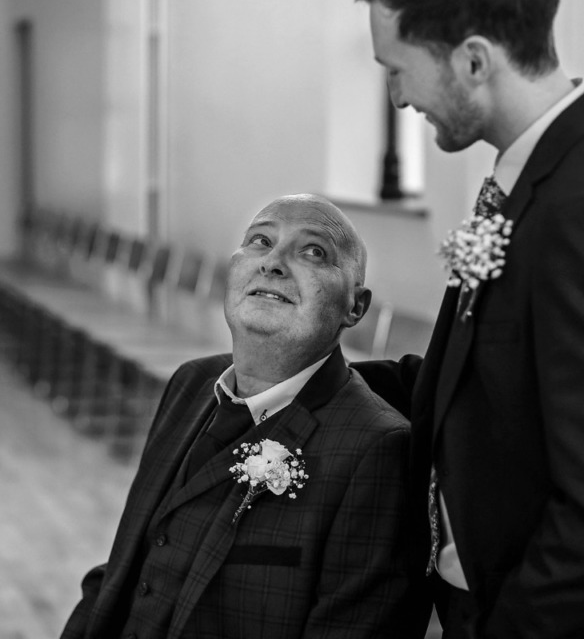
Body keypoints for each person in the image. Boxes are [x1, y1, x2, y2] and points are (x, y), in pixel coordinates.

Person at [353, 0, 584, 639]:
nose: (399, 98)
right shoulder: (529, 177)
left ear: (474, 60)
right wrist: (317, 374)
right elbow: (490, 387)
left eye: (398, 68)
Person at [59, 194, 431, 639]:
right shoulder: (190, 384)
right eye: (259, 240)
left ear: (356, 306)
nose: (272, 262)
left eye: (313, 251)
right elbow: (126, 563)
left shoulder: (377, 448)